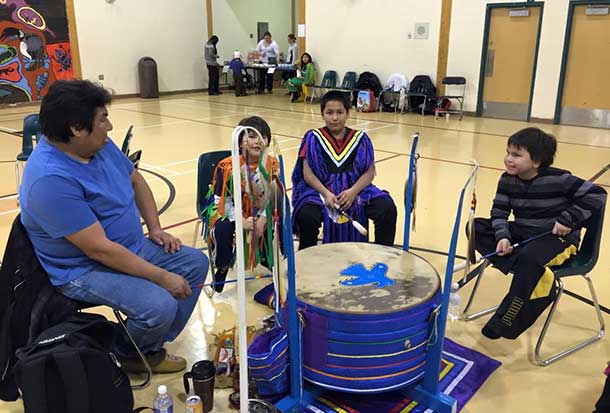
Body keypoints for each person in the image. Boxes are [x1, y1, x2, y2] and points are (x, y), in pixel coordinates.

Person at [19, 80, 209, 373]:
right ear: (76, 128)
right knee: (159, 305)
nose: (109, 126)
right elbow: (100, 251)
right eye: (102, 119)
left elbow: (136, 180)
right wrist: (162, 278)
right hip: (83, 268)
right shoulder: (49, 180)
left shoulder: (100, 146)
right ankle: (126, 353)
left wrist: (155, 228)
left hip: (127, 247)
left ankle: (147, 343)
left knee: (195, 263)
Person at [471, 127, 606, 340]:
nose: (508, 159)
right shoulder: (507, 180)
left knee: (529, 258)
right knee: (476, 227)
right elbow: (499, 212)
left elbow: (598, 195)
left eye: (516, 155)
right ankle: (534, 270)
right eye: (507, 152)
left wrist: (568, 219)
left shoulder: (560, 179)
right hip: (524, 234)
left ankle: (505, 321)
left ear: (537, 161)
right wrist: (503, 236)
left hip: (557, 240)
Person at [291, 90, 397, 250]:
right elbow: (307, 173)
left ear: (347, 113)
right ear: (322, 114)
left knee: (386, 207)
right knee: (306, 215)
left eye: (340, 112)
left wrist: (353, 191)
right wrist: (326, 194)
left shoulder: (361, 139)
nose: (334, 117)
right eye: (329, 112)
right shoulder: (313, 138)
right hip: (320, 191)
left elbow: (369, 172)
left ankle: (383, 254)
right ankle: (308, 256)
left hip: (357, 190)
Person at [203, 116, 280, 292]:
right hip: (228, 210)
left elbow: (273, 199)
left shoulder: (272, 165)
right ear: (239, 142)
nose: (258, 141)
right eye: (252, 136)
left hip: (260, 211)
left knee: (279, 214)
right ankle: (222, 264)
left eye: (263, 136)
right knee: (223, 228)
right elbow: (221, 202)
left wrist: (261, 220)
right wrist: (241, 221)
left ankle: (269, 257)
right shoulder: (228, 167)